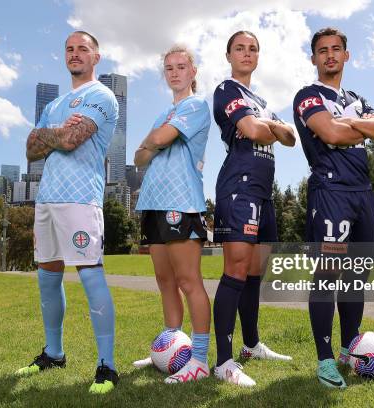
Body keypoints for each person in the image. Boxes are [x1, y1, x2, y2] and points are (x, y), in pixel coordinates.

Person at [17, 31, 120, 395]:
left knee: (91, 277)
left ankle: (107, 365)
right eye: (70, 49)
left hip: (80, 200)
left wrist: (51, 136)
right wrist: (55, 132)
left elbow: (72, 140)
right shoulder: (55, 103)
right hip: (47, 199)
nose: (75, 54)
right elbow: (31, 149)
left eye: (83, 49)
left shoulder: (101, 95)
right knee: (47, 278)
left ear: (96, 57)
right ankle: (54, 353)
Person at [292, 27, 374, 389]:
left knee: (357, 275)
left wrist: (348, 122)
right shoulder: (307, 96)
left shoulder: (356, 97)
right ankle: (324, 360)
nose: (330, 55)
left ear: (346, 55)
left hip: (363, 193)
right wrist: (353, 127)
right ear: (314, 58)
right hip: (331, 191)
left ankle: (351, 350)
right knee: (329, 274)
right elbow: (330, 134)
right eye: (323, 50)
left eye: (336, 49)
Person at [212, 30, 296, 387]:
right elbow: (251, 129)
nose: (247, 54)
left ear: (258, 57)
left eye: (253, 49)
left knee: (256, 273)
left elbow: (291, 138)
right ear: (229, 55)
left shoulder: (259, 99)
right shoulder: (226, 90)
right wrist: (273, 127)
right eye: (240, 49)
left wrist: (273, 126)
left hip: (265, 194)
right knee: (236, 270)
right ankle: (223, 361)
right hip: (239, 189)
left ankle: (251, 345)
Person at [132, 45, 212, 383]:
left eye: (181, 66)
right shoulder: (163, 112)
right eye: (169, 68)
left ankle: (200, 358)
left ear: (193, 72)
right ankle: (171, 346)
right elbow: (138, 158)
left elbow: (160, 139)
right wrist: (153, 142)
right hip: (152, 203)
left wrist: (154, 141)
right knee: (164, 281)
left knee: (187, 280)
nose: (175, 72)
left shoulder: (196, 105)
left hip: (181, 203)